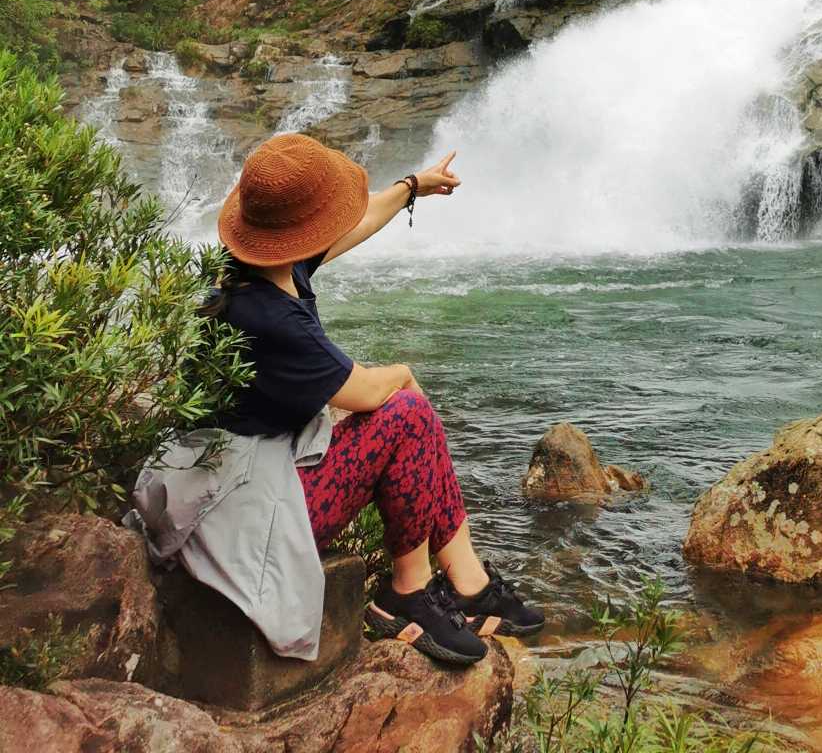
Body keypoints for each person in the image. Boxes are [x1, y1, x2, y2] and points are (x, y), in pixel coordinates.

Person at [139, 130, 544, 669]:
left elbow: (357, 223)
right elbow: (374, 392)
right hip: (246, 505)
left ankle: (467, 581)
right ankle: (408, 594)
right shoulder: (273, 320)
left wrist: (412, 187)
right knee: (406, 414)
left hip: (252, 469)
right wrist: (404, 374)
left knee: (409, 416)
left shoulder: (255, 268)